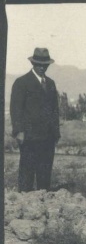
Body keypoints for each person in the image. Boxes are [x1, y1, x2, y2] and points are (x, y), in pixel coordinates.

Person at [10, 47, 61, 192]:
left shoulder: (50, 83)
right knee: (27, 172)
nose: (41, 67)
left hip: (48, 137)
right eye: (38, 64)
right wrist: (19, 131)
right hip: (29, 137)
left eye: (44, 65)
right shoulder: (22, 82)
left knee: (45, 173)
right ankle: (25, 204)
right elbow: (16, 109)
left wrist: (56, 133)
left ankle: (43, 200)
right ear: (33, 63)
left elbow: (54, 110)